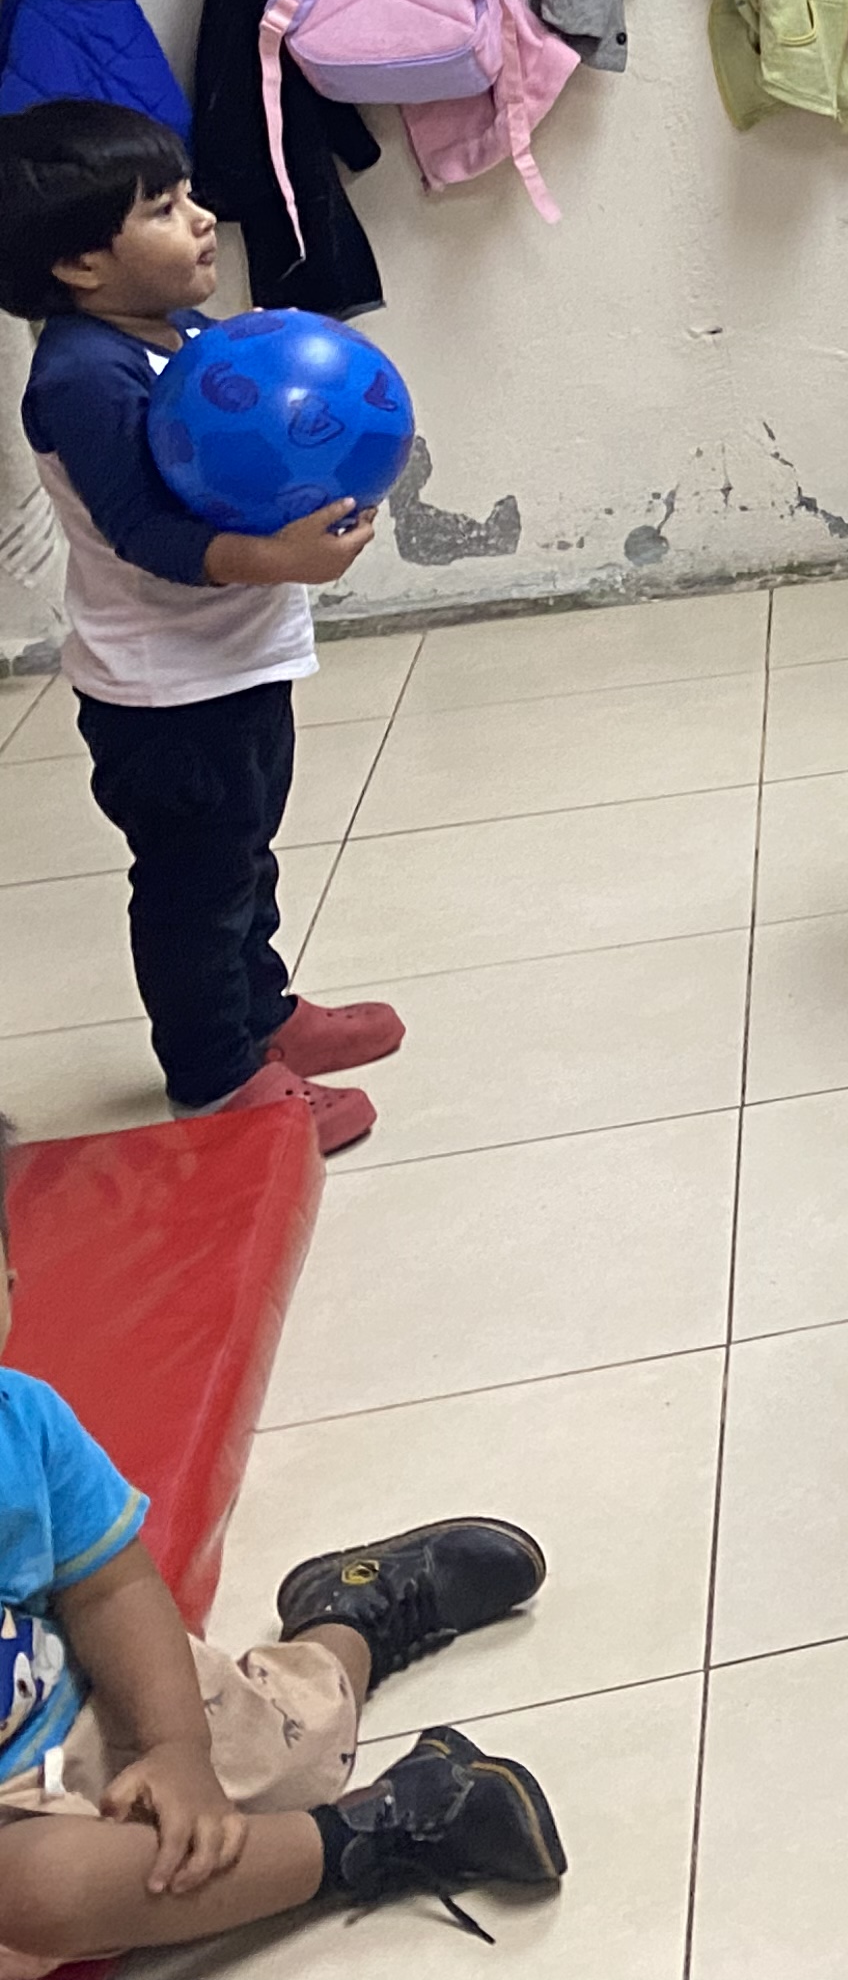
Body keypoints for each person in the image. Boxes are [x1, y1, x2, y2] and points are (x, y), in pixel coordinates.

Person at [0, 1120, 564, 1966]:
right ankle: (343, 1837)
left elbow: (110, 1588)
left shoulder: (24, 1426)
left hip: (87, 1713)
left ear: (10, 1283)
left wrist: (175, 1749)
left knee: (290, 1754)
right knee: (39, 1894)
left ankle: (356, 1674)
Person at [0, 104, 400, 1156]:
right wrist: (281, 560)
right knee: (196, 886)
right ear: (80, 264)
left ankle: (262, 1014)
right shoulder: (84, 375)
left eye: (188, 195)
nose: (203, 218)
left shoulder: (175, 331)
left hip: (234, 663)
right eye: (164, 209)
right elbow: (142, 532)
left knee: (245, 859)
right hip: (163, 693)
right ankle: (216, 1079)